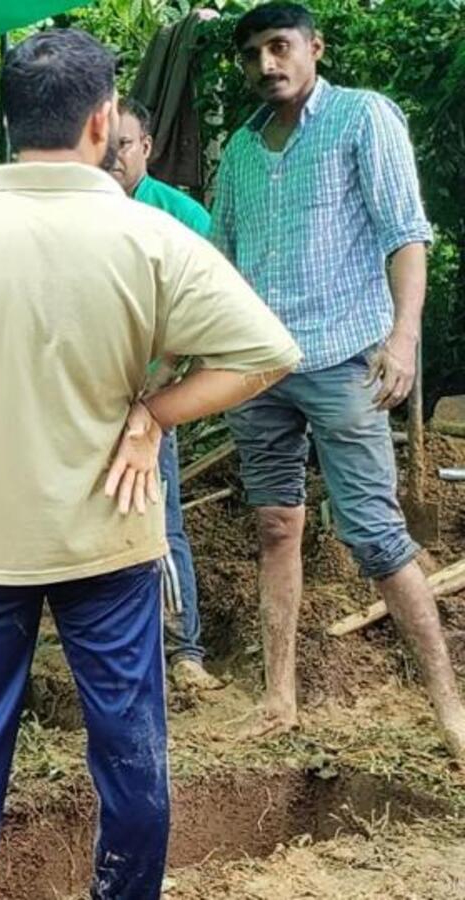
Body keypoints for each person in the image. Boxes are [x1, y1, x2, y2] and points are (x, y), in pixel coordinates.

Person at [0, 29, 300, 899]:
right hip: (109, 547)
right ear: (102, 121)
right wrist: (153, 414)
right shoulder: (148, 239)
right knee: (131, 757)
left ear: (10, 121)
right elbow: (268, 354)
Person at [211, 2, 465, 755]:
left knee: (377, 535)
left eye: (280, 46)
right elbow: (221, 263)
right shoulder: (242, 154)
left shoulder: (363, 118)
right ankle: (279, 697)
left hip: (346, 358)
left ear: (315, 47)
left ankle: (450, 710)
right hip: (257, 370)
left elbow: (405, 233)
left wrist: (404, 338)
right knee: (273, 525)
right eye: (253, 52)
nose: (267, 64)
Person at [111, 97, 225, 693]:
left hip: (151, 399)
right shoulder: (84, 214)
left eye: (123, 146)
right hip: (86, 396)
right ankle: (114, 649)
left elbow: (212, 303)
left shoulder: (183, 217)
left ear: (146, 148)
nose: (112, 159)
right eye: (104, 147)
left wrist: (169, 374)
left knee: (160, 517)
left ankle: (184, 648)